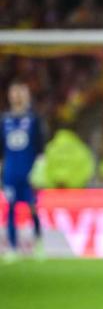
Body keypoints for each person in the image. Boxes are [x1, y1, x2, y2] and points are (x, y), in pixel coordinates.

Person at [0, 79, 44, 261]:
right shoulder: (4, 121)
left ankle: (39, 243)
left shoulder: (33, 120)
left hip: (29, 172)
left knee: (33, 207)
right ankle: (12, 248)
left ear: (27, 96)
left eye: (21, 92)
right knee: (9, 208)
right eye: (14, 92)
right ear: (10, 96)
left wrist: (39, 170)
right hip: (11, 171)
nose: (17, 96)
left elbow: (40, 148)